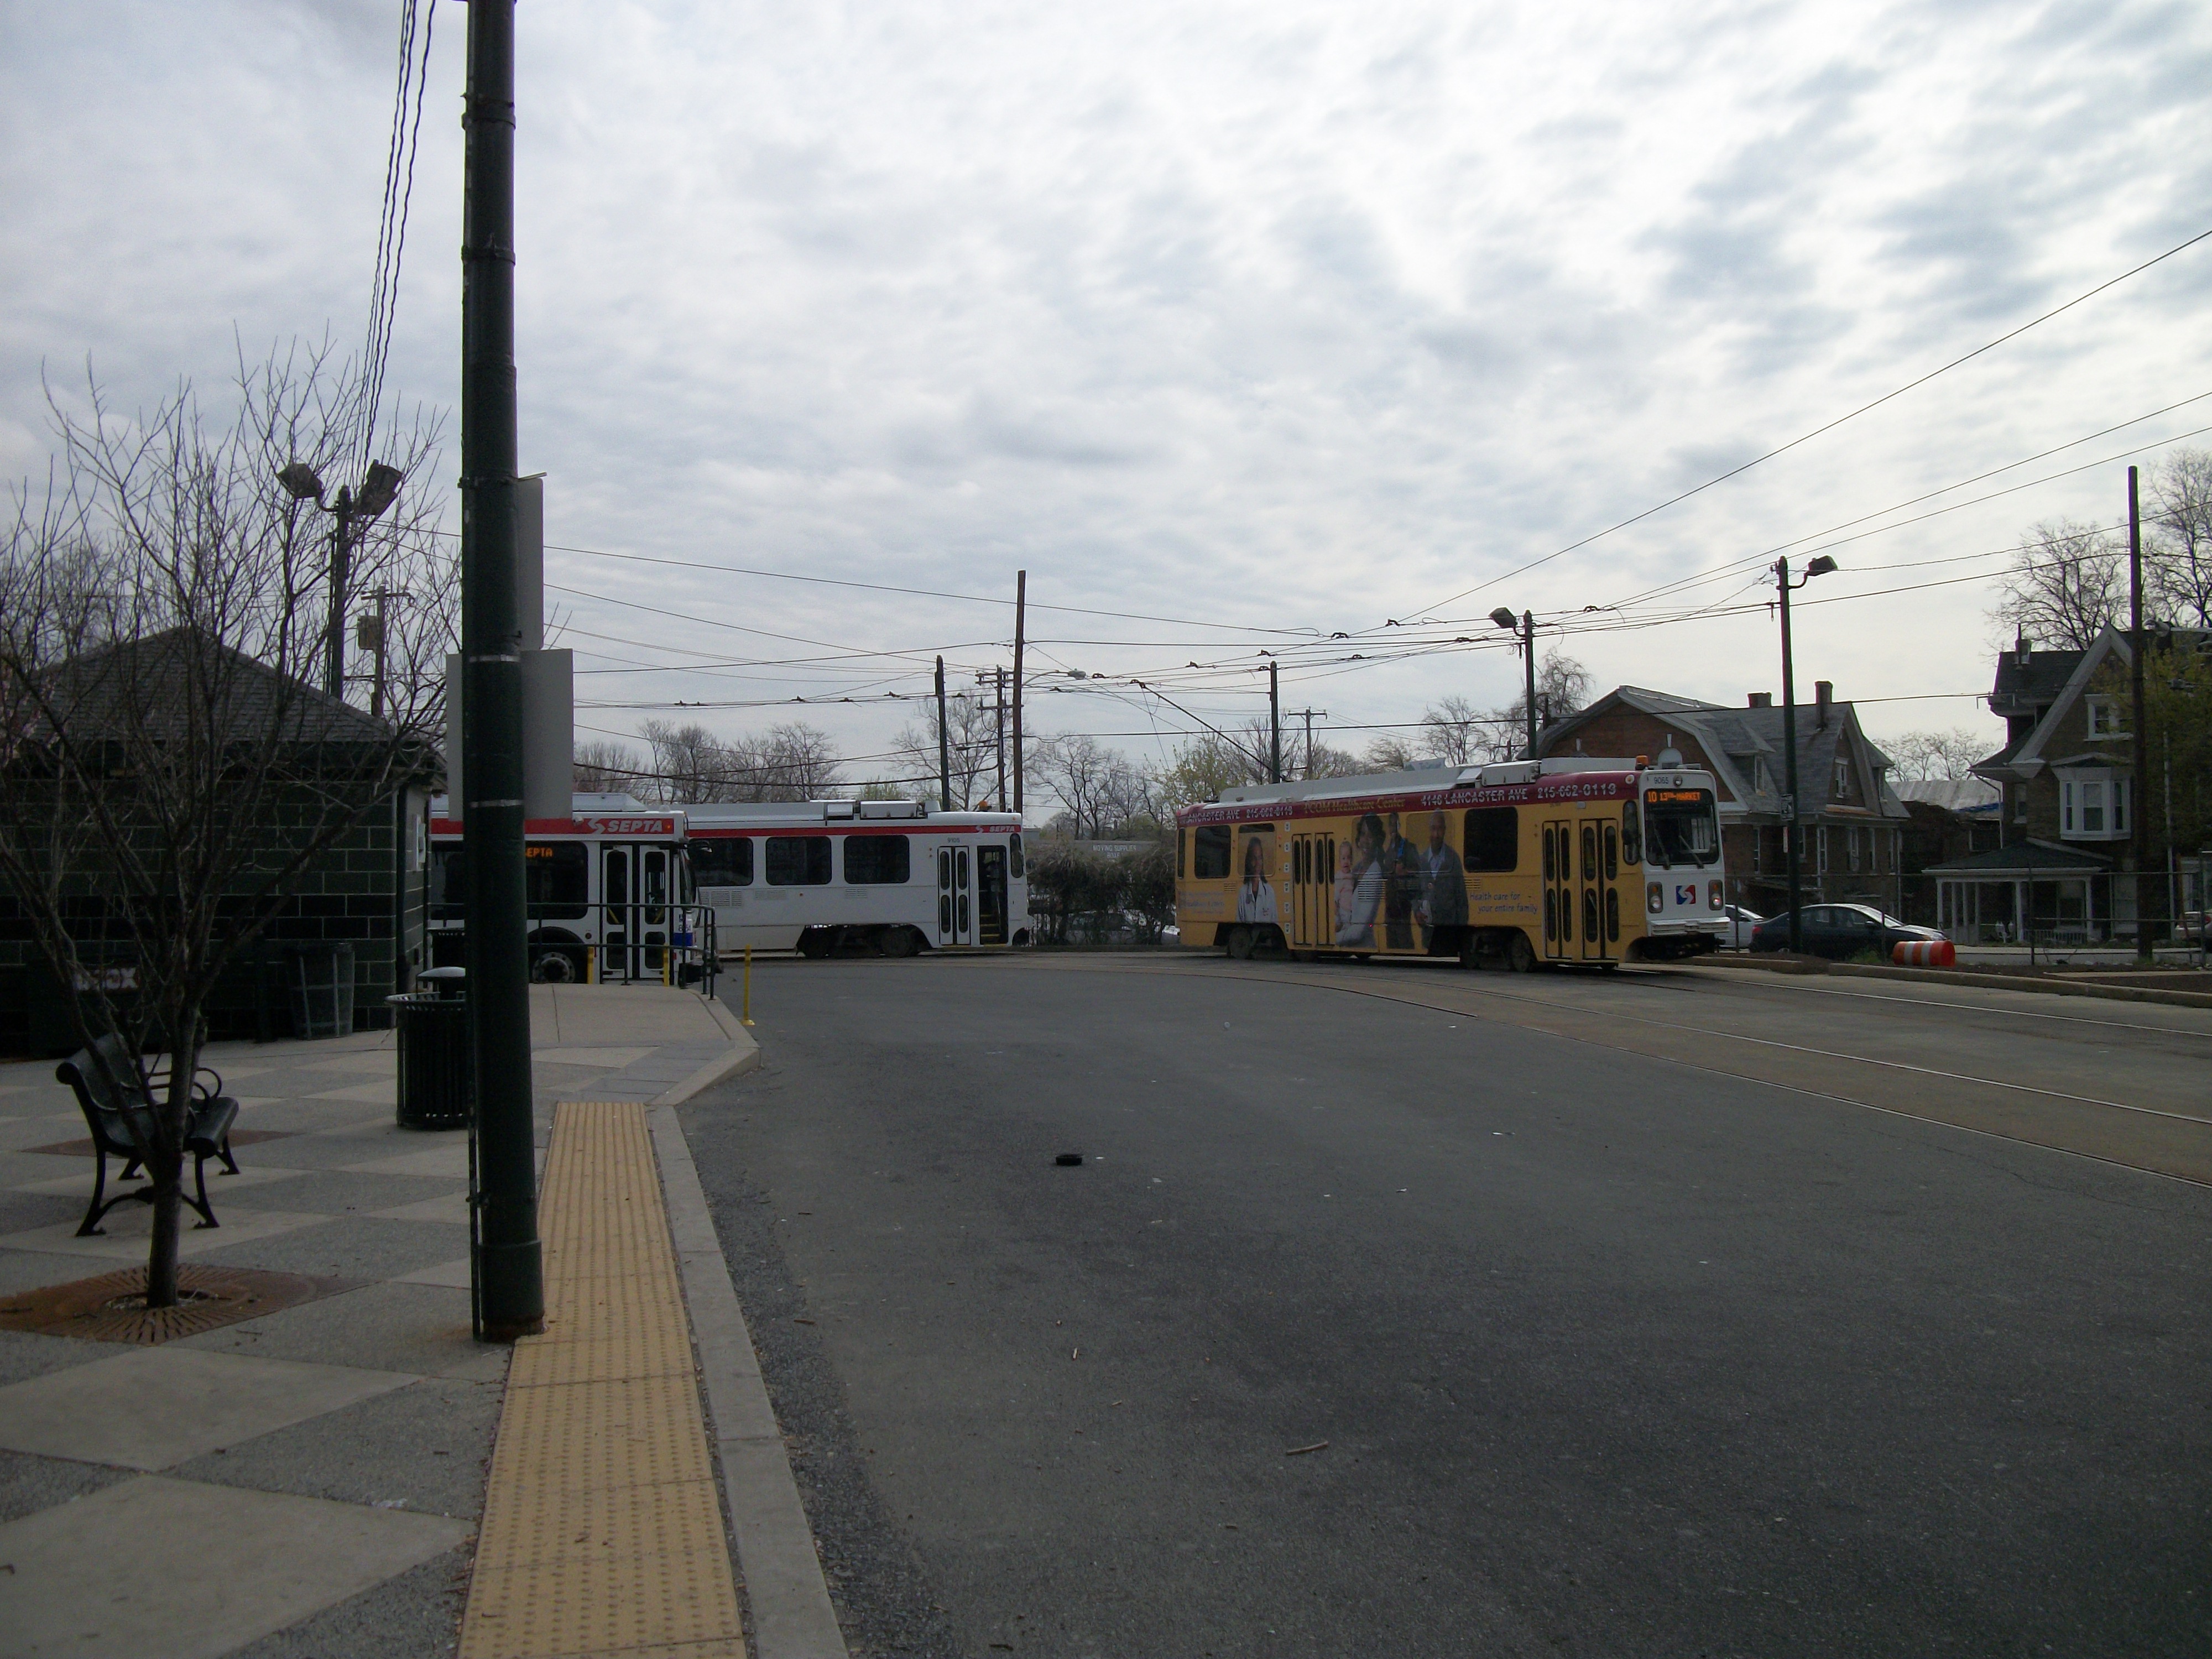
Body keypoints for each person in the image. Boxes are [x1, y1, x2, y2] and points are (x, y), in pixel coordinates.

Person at [1416, 810, 1467, 950]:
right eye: (1433, 829)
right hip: (1428, 932)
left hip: (1448, 929)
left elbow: (1462, 899)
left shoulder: (1453, 859)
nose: (1436, 834)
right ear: (1429, 830)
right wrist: (1417, 911)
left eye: (1439, 829)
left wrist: (1461, 931)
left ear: (1444, 830)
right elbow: (1416, 892)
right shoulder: (1422, 860)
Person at [1335, 815, 1387, 946]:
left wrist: (1331, 939)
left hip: (1364, 944)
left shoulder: (1374, 874)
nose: (1365, 840)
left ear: (1378, 841)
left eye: (1370, 836)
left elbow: (1359, 931)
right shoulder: (1356, 869)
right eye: (1363, 834)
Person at [1383, 811, 1420, 949]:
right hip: (1390, 904)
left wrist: (1403, 872)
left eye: (1395, 824)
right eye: (1390, 825)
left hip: (1402, 903)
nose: (1392, 828)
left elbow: (1418, 870)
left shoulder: (1408, 847)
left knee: (1404, 939)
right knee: (1391, 941)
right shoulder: (1388, 849)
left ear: (1399, 825)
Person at [1235, 835, 1277, 925]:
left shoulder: (1269, 892)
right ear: (1249, 861)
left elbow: (1275, 925)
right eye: (1253, 858)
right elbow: (1239, 925)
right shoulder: (1243, 892)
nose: (1257, 863)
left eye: (1259, 858)